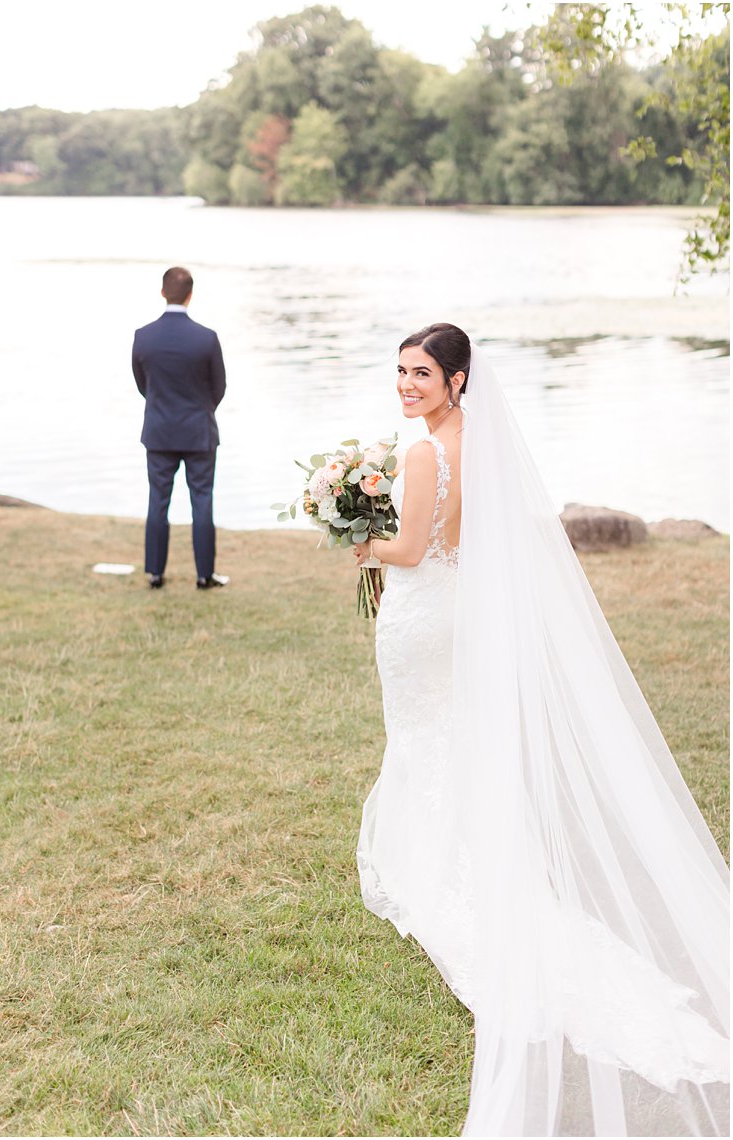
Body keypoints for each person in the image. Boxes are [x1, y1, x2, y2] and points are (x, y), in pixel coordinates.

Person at [353, 323, 728, 1135]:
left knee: (423, 740)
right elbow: (470, 542)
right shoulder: (482, 443)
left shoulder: (423, 456)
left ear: (456, 380)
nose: (406, 385)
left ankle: (439, 860)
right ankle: (464, 846)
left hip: (422, 618)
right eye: (400, 372)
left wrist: (357, 541)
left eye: (421, 373)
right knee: (444, 739)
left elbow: (412, 548)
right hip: (458, 615)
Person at [131, 266, 228, 590]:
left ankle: (155, 573)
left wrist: (163, 408)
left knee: (158, 501)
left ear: (162, 293)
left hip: (159, 431)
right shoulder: (206, 338)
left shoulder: (143, 336)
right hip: (199, 432)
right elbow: (219, 387)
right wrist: (200, 411)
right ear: (190, 294)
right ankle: (204, 575)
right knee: (202, 501)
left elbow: (143, 384)